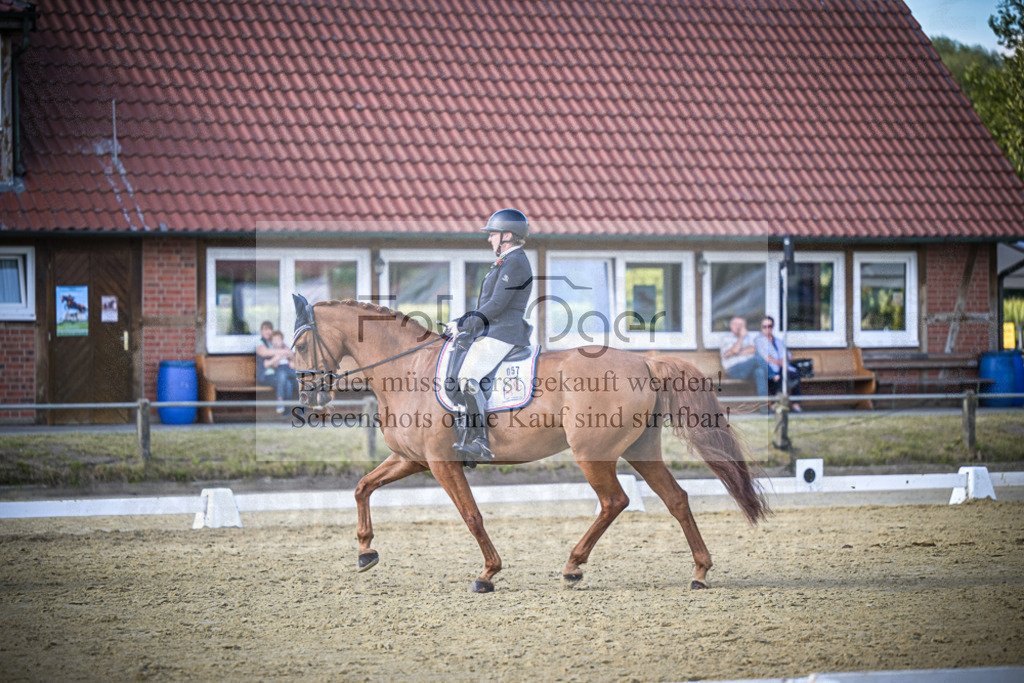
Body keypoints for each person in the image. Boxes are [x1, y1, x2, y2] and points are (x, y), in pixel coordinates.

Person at [445, 208, 534, 462]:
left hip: (504, 332)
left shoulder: (515, 262)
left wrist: (465, 325)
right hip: (493, 330)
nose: (489, 239)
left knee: (467, 377)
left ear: (507, 235)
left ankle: (480, 441)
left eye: (492, 234)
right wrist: (462, 322)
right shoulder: (507, 261)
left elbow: (496, 305)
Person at [719, 315, 774, 407]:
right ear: (731, 325)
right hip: (734, 370)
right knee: (756, 359)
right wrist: (741, 339)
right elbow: (732, 351)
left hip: (749, 369)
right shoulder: (726, 338)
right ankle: (773, 375)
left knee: (760, 372)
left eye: (741, 325)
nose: (738, 327)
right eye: (736, 324)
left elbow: (753, 349)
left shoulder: (748, 337)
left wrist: (735, 352)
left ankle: (764, 407)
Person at [754, 316, 802, 411]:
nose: (767, 329)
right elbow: (766, 358)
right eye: (765, 326)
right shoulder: (758, 341)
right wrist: (781, 363)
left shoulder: (778, 341)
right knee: (779, 375)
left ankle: (796, 403)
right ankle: (774, 404)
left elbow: (788, 355)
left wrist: (784, 362)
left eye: (770, 326)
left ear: (773, 327)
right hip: (770, 368)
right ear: (761, 328)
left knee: (795, 374)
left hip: (783, 366)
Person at [255, 322, 298, 414]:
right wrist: (283, 353)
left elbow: (290, 353)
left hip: (281, 373)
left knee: (294, 382)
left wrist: (290, 359)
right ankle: (285, 413)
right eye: (265, 329)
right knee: (287, 384)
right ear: (261, 331)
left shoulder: (275, 341)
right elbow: (265, 353)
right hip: (266, 375)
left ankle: (295, 412)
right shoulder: (260, 343)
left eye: (270, 329)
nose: (268, 331)